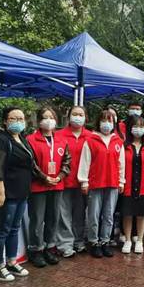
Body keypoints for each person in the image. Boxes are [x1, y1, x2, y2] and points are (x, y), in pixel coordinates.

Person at [0, 107, 35, 282]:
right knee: (2, 230)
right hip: (7, 194)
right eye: (13, 118)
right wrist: (0, 192)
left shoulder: (22, 139)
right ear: (5, 121)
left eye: (21, 118)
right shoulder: (0, 141)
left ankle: (11, 262)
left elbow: (31, 164)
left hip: (22, 192)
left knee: (14, 229)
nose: (18, 122)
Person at [27, 107, 71, 267]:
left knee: (53, 218)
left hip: (57, 185)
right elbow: (30, 163)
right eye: (45, 117)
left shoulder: (61, 140)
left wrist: (60, 176)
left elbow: (67, 161)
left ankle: (49, 247)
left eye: (51, 117)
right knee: (37, 219)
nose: (49, 120)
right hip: (38, 186)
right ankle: (36, 250)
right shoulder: (30, 140)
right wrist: (44, 177)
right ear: (39, 121)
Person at [78, 109, 125, 258]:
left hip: (112, 183)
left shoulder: (118, 141)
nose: (106, 123)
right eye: (104, 120)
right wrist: (84, 181)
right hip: (95, 183)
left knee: (108, 215)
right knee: (93, 215)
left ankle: (105, 241)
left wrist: (121, 181)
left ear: (114, 123)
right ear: (98, 122)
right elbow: (85, 162)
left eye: (109, 121)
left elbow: (121, 163)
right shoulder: (91, 140)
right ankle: (93, 242)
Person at [55, 106, 93, 257]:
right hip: (63, 181)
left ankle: (79, 241)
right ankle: (65, 245)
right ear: (68, 116)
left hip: (83, 183)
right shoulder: (59, 135)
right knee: (63, 215)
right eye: (74, 114)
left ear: (86, 117)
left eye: (81, 114)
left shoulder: (91, 136)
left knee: (80, 214)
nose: (78, 117)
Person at [121, 116, 144, 254]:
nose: (138, 129)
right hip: (128, 186)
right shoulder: (124, 146)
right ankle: (128, 240)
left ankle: (140, 240)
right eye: (135, 126)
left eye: (141, 126)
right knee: (127, 214)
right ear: (130, 128)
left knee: (142, 214)